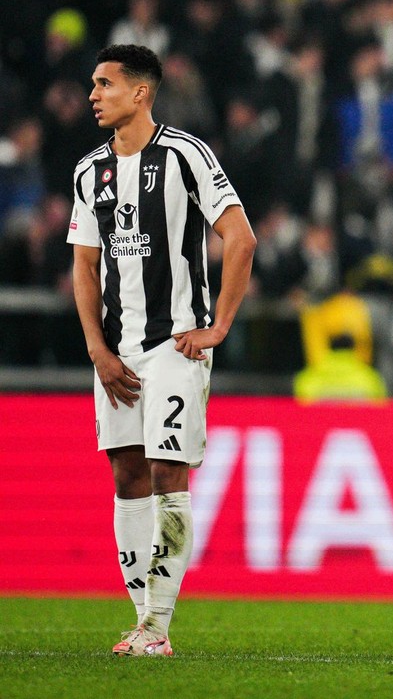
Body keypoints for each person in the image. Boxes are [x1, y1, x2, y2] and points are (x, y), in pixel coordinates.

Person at [67, 44, 257, 657]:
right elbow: (84, 266)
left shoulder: (185, 155)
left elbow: (241, 238)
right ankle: (141, 620)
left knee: (167, 472)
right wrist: (97, 350)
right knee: (126, 474)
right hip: (115, 352)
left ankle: (157, 626)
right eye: (93, 84)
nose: (93, 95)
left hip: (175, 345)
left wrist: (217, 327)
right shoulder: (88, 170)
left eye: (105, 84)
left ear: (141, 92)